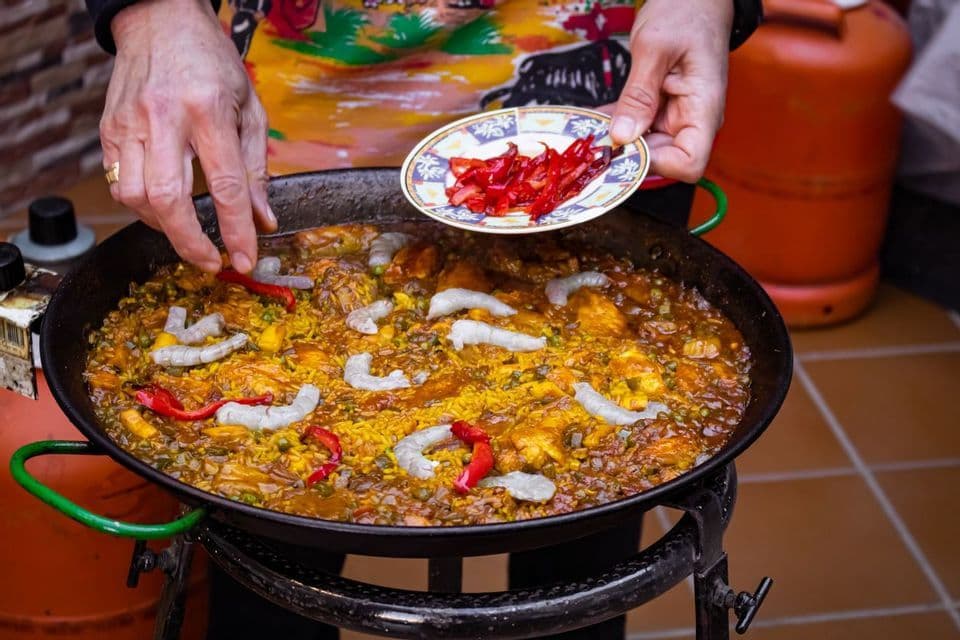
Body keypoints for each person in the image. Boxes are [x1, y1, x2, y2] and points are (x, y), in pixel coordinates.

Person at [84, 1, 760, 638]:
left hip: (588, 138)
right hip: (297, 131)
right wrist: (152, 9)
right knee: (264, 576)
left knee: (581, 553)